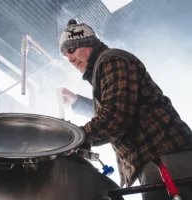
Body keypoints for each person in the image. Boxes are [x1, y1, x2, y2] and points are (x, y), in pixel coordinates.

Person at [59, 19, 192, 200]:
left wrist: (72, 139)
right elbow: (116, 107)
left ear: (86, 43)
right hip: (160, 158)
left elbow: (114, 118)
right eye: (65, 55)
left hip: (166, 158)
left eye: (71, 51)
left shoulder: (111, 61)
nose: (70, 59)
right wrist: (76, 102)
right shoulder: (105, 67)